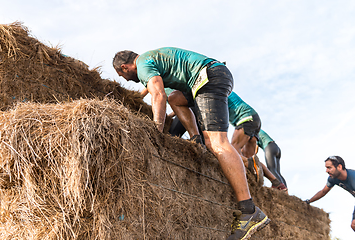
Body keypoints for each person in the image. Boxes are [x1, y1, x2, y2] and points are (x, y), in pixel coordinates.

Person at [113, 47, 270, 240]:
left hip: (208, 78)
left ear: (125, 67)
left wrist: (156, 132)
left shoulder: (143, 64)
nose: (125, 80)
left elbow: (158, 95)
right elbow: (160, 93)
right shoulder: (150, 60)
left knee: (217, 142)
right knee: (175, 99)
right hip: (205, 79)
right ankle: (196, 138)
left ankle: (249, 210)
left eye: (122, 75)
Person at [305, 156, 355, 232]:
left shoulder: (353, 177)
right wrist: (308, 201)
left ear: (339, 167)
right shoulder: (333, 179)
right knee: (354, 225)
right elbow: (323, 192)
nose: (326, 171)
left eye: (329, 167)